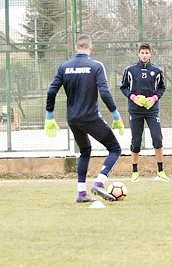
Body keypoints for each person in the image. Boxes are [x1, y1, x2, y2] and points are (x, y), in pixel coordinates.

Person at [45, 35, 125, 203]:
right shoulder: (96, 66)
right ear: (91, 47)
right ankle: (99, 182)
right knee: (115, 149)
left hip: (73, 119)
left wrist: (49, 116)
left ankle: (81, 193)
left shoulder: (64, 67)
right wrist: (116, 115)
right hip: (91, 118)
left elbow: (51, 92)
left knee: (85, 151)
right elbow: (104, 92)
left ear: (76, 47)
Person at [120, 43, 167, 182]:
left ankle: (160, 171)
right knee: (136, 141)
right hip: (135, 111)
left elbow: (161, 88)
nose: (144, 55)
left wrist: (154, 98)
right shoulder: (130, 70)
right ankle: (134, 172)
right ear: (138, 54)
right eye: (142, 52)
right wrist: (133, 97)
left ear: (150, 54)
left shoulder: (157, 71)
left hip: (152, 111)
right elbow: (123, 88)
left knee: (157, 138)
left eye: (147, 53)